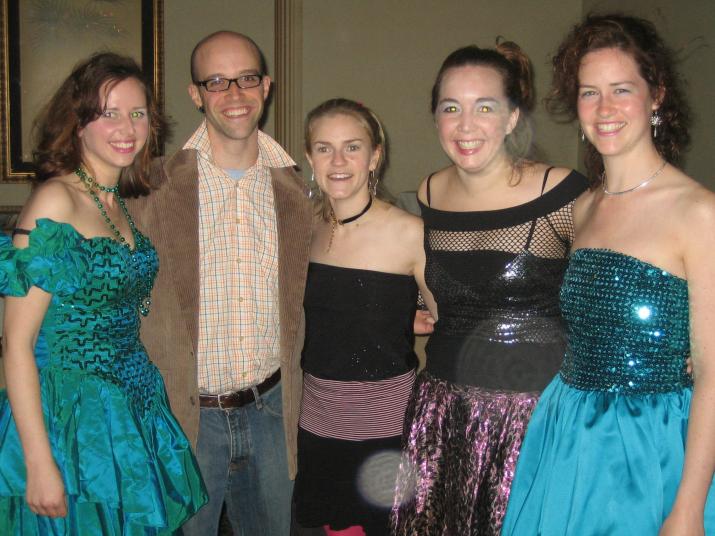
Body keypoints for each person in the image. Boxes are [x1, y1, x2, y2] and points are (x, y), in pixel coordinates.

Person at [502, 14, 715, 535]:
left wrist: (687, 509)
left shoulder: (699, 213)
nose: (604, 109)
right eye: (589, 92)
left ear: (656, 95)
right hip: (568, 432)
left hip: (650, 449)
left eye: (622, 89)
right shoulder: (584, 206)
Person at [0, 53, 207, 534]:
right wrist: (38, 463)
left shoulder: (119, 204)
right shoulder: (57, 199)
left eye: (137, 114)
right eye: (108, 112)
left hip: (131, 405)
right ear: (78, 124)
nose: (126, 127)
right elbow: (17, 343)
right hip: (72, 422)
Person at [390, 42, 589, 535]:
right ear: (435, 116)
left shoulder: (561, 192)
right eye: (450, 107)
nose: (465, 124)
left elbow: (612, 281)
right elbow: (446, 285)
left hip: (532, 419)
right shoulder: (430, 192)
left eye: (485, 107)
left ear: (513, 116)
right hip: (441, 413)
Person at [126, 31, 312, 535]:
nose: (234, 94)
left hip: (273, 411)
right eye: (217, 81)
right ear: (196, 94)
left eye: (247, 78)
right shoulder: (150, 189)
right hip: (186, 418)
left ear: (266, 86)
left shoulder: (302, 193)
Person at [292, 99, 436, 536]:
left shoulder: (410, 232)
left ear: (375, 156)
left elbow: (456, 320)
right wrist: (394, 315)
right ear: (309, 158)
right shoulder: (307, 229)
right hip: (317, 419)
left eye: (352, 147)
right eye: (324, 148)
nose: (337, 161)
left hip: (385, 428)